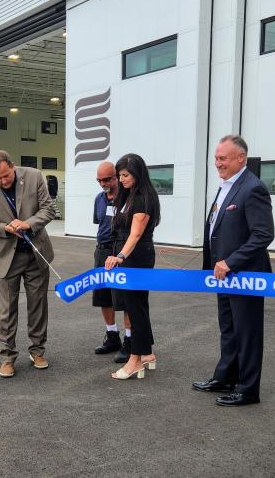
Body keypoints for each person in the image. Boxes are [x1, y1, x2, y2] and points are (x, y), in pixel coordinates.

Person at [192, 134, 274, 406]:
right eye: (216, 158)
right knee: (228, 328)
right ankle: (225, 376)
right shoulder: (226, 186)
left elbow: (263, 234)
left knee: (247, 333)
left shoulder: (253, 188)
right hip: (223, 275)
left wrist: (231, 261)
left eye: (223, 158)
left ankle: (248, 389)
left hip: (244, 275)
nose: (218, 163)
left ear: (241, 158)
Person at [0, 150, 56, 378]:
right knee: (7, 310)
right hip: (7, 257)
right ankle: (7, 357)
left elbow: (48, 209)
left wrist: (28, 224)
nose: (2, 181)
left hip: (36, 254)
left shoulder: (34, 176)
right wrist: (5, 228)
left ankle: (38, 351)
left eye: (6, 176)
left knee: (37, 305)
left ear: (13, 166)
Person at [104, 153, 160, 380]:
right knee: (137, 305)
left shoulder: (143, 198)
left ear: (138, 174)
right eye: (120, 175)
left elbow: (136, 234)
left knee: (135, 308)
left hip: (136, 257)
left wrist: (120, 256)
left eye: (125, 175)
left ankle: (135, 360)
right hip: (131, 255)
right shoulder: (128, 196)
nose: (121, 179)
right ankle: (146, 353)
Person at [91, 161, 132, 362]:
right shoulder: (99, 199)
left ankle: (130, 341)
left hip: (119, 253)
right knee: (103, 297)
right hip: (102, 252)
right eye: (99, 180)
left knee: (124, 300)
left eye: (107, 179)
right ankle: (112, 336)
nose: (103, 183)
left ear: (116, 177)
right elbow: (100, 224)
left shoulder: (127, 198)